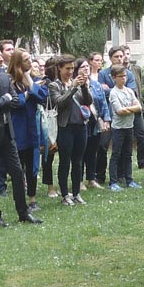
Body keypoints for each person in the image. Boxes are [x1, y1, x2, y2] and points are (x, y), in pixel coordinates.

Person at [0, 45, 43, 226]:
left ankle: (23, 212)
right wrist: (3, 99)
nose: (1, 58)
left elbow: (15, 101)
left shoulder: (4, 78)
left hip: (6, 132)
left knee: (18, 173)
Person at [8, 48, 48, 211]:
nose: (30, 62)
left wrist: (30, 81)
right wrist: (30, 92)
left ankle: (32, 198)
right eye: (26, 59)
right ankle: (20, 199)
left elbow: (42, 97)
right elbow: (17, 103)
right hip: (18, 128)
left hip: (33, 128)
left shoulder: (34, 79)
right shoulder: (10, 82)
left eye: (30, 58)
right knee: (19, 166)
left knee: (32, 164)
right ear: (17, 63)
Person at [49, 56, 93, 205]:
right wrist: (73, 87)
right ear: (59, 68)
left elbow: (88, 102)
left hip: (81, 126)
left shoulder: (79, 83)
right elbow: (60, 103)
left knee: (78, 161)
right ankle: (64, 195)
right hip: (65, 127)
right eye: (67, 68)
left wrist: (85, 87)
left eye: (72, 68)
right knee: (65, 161)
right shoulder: (54, 86)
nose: (70, 71)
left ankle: (76, 193)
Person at [107, 64, 142, 190]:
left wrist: (128, 109)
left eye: (125, 76)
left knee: (128, 155)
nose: (123, 78)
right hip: (118, 128)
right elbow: (119, 111)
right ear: (114, 78)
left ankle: (129, 180)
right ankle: (113, 182)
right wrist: (131, 109)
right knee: (116, 154)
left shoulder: (130, 91)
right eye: (120, 76)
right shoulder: (113, 93)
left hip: (129, 127)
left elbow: (139, 107)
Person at [84, 51, 111, 189]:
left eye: (86, 69)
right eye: (83, 68)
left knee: (93, 151)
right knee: (81, 152)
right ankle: (79, 181)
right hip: (82, 123)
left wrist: (106, 119)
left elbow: (104, 104)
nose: (85, 70)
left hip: (96, 123)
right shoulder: (76, 85)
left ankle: (91, 179)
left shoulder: (96, 84)